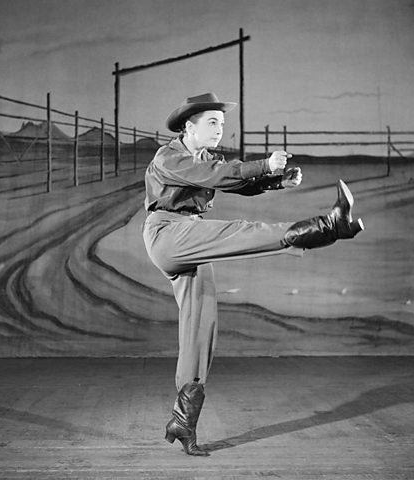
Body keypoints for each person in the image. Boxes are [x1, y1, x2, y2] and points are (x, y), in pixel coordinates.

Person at [142, 92, 364, 456]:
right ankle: (326, 226)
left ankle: (183, 421)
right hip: (168, 235)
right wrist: (264, 165)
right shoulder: (169, 156)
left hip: (191, 239)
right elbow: (213, 175)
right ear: (188, 126)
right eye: (211, 123)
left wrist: (276, 180)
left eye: (222, 124)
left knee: (201, 327)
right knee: (240, 231)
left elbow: (234, 182)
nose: (219, 130)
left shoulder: (205, 157)